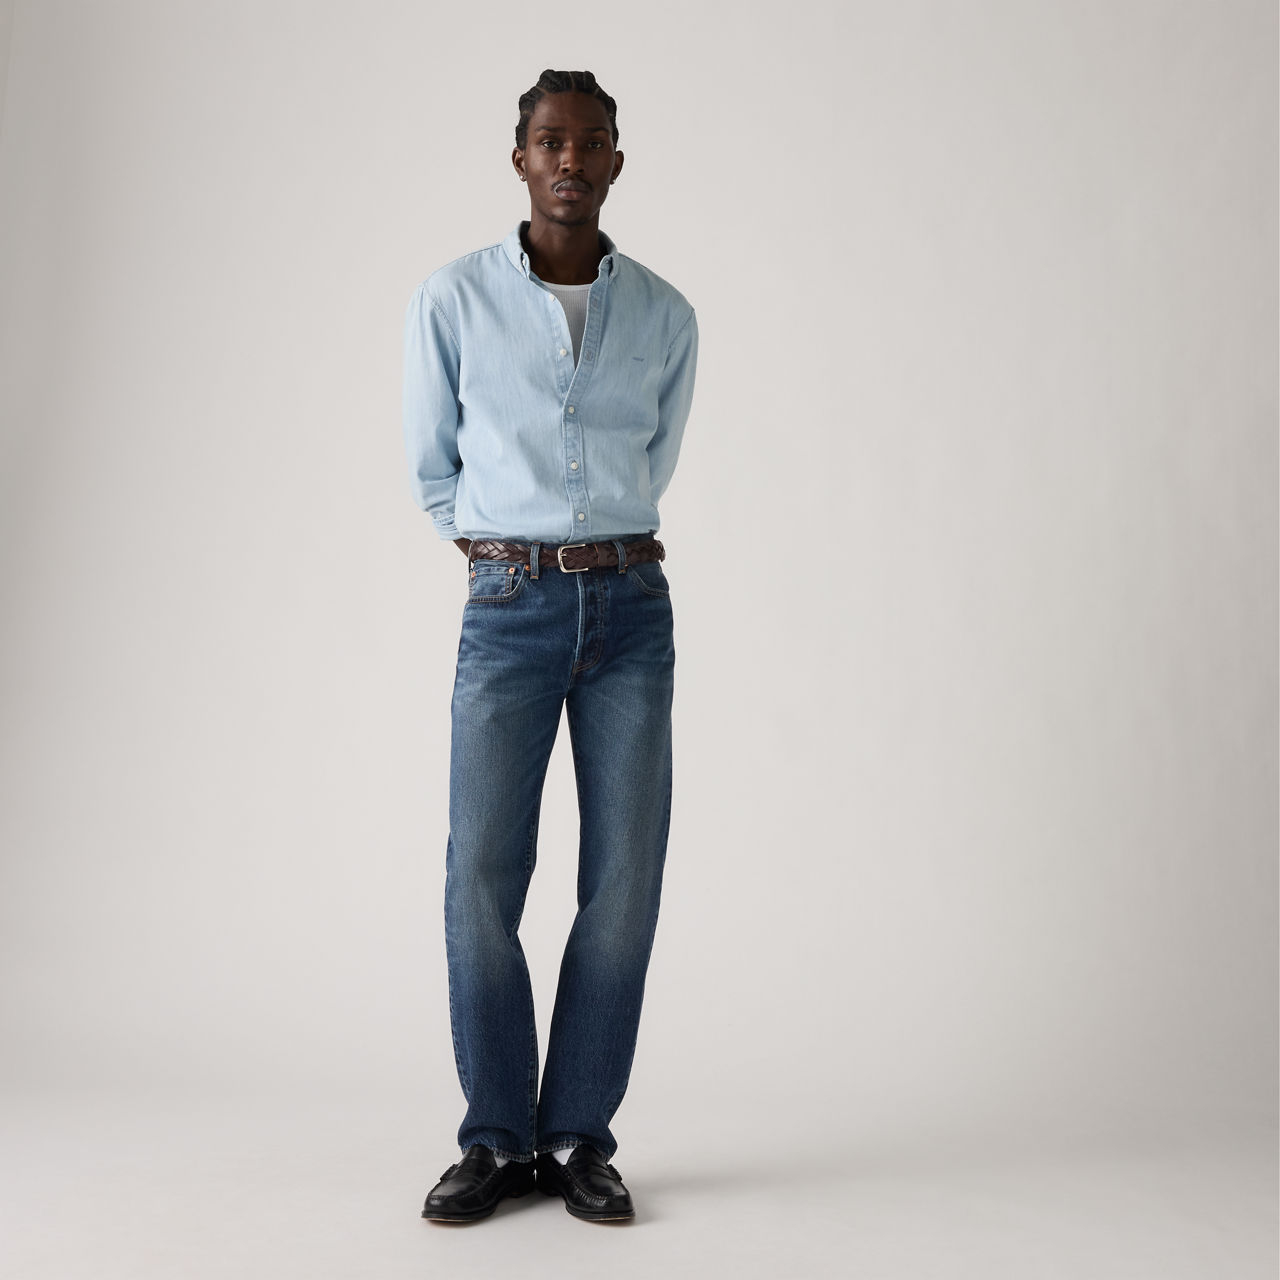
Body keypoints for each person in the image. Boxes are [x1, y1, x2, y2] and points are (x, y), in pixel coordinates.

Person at [401, 68, 698, 1224]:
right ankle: (494, 1135)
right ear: (520, 158)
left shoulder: (666, 314)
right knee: (481, 869)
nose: (570, 159)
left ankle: (576, 1133)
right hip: (509, 605)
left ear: (616, 159)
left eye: (591, 141)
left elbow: (652, 461)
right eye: (549, 140)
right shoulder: (452, 299)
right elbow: (433, 467)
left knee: (623, 875)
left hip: (631, 608)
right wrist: (501, 551)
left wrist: (592, 546)